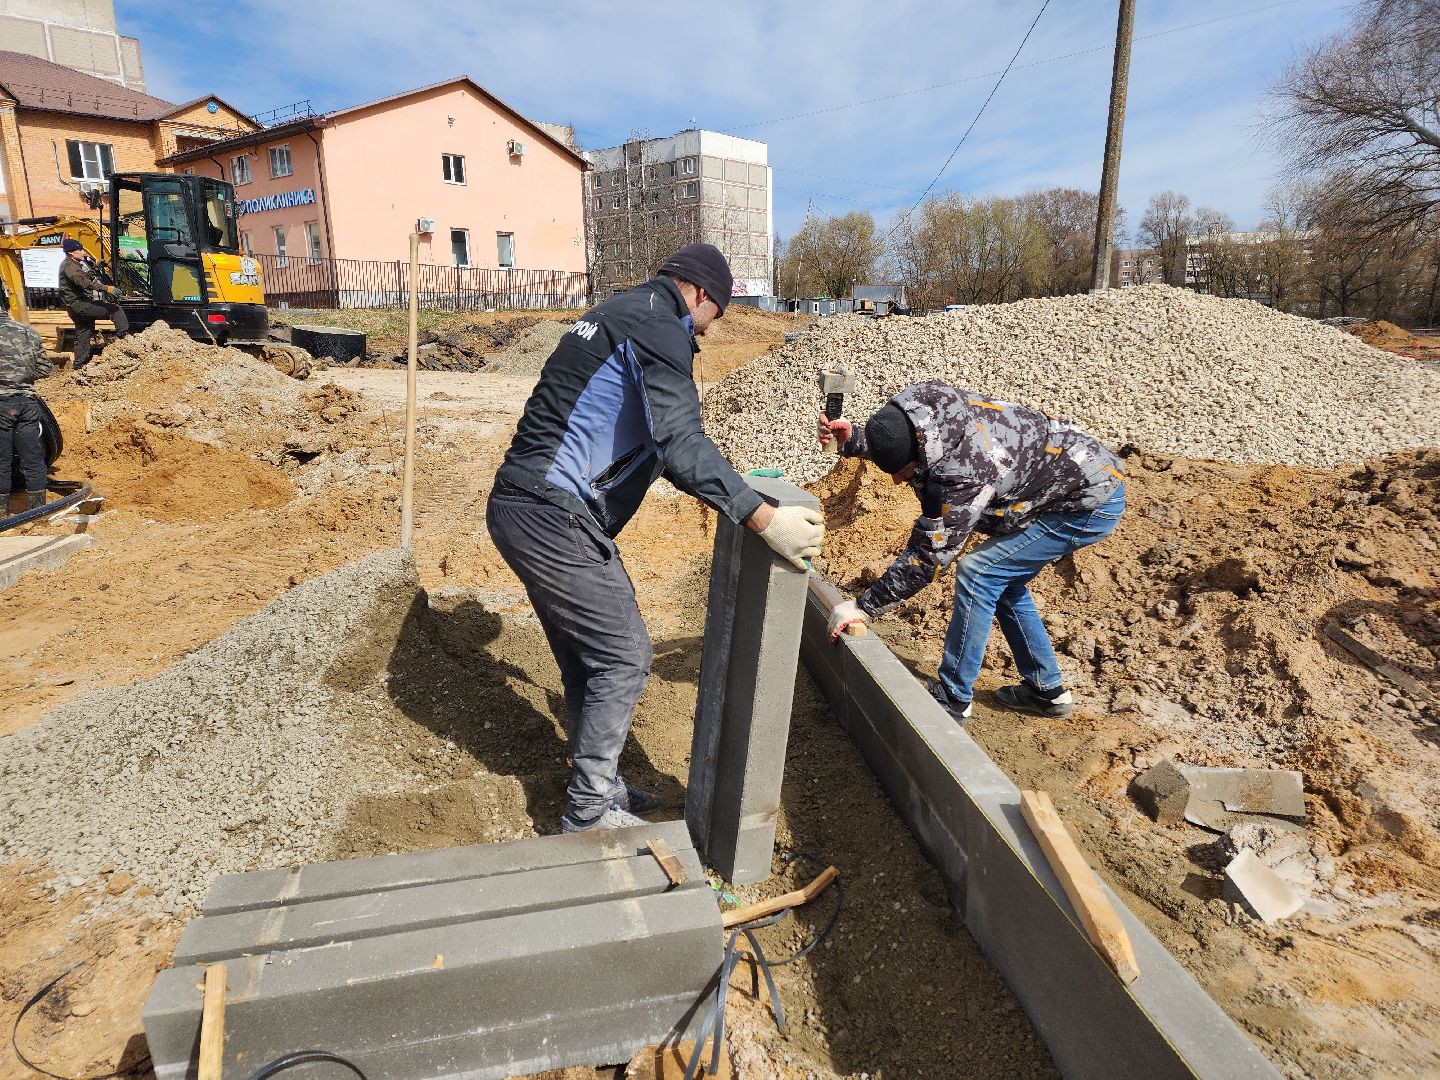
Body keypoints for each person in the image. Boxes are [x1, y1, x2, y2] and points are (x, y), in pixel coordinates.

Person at [489, 243, 825, 833]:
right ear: (699, 294)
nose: (709, 332)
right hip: (549, 512)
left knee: (587, 658)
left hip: (526, 506)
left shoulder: (624, 312)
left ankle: (603, 785)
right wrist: (766, 520)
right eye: (715, 316)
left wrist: (731, 485)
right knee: (624, 654)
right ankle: (588, 814)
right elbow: (681, 442)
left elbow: (662, 447)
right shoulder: (659, 325)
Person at [818, 381, 1126, 722]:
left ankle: (953, 698)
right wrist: (854, 441)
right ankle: (1046, 691)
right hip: (1059, 477)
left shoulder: (965, 470)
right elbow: (905, 439)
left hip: (1087, 503)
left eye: (904, 473)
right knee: (1004, 581)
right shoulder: (922, 410)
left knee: (979, 572)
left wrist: (863, 606)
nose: (897, 482)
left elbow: (930, 557)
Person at [0, 306, 53, 513]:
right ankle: (38, 511)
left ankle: (3, 513)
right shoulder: (28, 332)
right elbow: (45, 368)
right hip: (27, 403)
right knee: (32, 458)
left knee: (1, 459)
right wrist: (21, 376)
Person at [58, 237, 128, 369]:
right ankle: (123, 339)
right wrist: (107, 288)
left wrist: (96, 268)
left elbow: (85, 277)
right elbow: (83, 282)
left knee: (84, 332)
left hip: (75, 308)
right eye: (80, 250)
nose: (83, 252)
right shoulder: (69, 265)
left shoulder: (73, 265)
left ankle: (79, 364)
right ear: (71, 252)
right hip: (80, 305)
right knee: (115, 309)